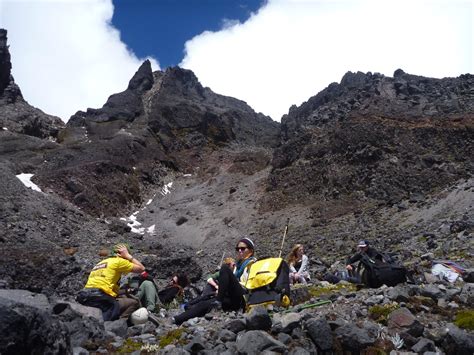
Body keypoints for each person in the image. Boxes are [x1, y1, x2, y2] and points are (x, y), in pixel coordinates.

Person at [173, 238, 256, 325]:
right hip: (231, 299)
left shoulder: (252, 264)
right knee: (204, 304)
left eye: (243, 248)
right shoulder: (238, 266)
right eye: (237, 249)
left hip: (242, 298)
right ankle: (177, 319)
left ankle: (218, 302)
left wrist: (224, 289)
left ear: (250, 250)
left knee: (224, 269)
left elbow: (249, 286)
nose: (239, 250)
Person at [76, 243, 145, 321]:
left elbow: (104, 285)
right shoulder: (119, 261)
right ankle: (119, 324)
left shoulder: (101, 263)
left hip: (85, 296)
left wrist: (125, 291)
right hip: (101, 299)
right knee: (134, 302)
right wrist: (128, 256)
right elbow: (141, 268)